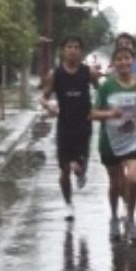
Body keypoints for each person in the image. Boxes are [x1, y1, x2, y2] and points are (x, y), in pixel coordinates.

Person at [39, 37, 101, 220]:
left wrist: (96, 109)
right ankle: (68, 204)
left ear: (81, 51)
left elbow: (101, 93)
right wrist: (48, 105)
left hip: (84, 125)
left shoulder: (88, 72)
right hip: (64, 126)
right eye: (69, 47)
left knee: (78, 167)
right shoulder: (55, 74)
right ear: (63, 50)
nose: (73, 50)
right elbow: (43, 97)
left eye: (76, 47)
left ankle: (81, 171)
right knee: (65, 169)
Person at [92, 46, 136, 242]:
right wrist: (109, 114)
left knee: (133, 179)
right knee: (116, 183)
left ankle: (130, 218)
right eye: (119, 59)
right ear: (114, 63)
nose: (124, 62)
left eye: (127, 58)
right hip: (110, 142)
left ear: (133, 61)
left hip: (135, 141)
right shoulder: (107, 86)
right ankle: (114, 217)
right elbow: (93, 113)